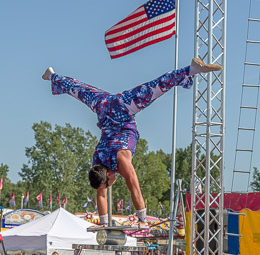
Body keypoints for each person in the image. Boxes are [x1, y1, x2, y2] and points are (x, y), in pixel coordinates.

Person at [42, 58, 222, 226]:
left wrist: (142, 219)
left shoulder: (121, 161)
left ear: (110, 176)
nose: (105, 189)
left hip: (122, 109)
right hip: (104, 106)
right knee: (79, 90)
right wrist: (104, 225)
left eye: (106, 185)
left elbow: (134, 188)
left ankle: (191, 69)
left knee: (155, 88)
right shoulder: (97, 164)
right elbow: (101, 194)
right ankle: (51, 75)